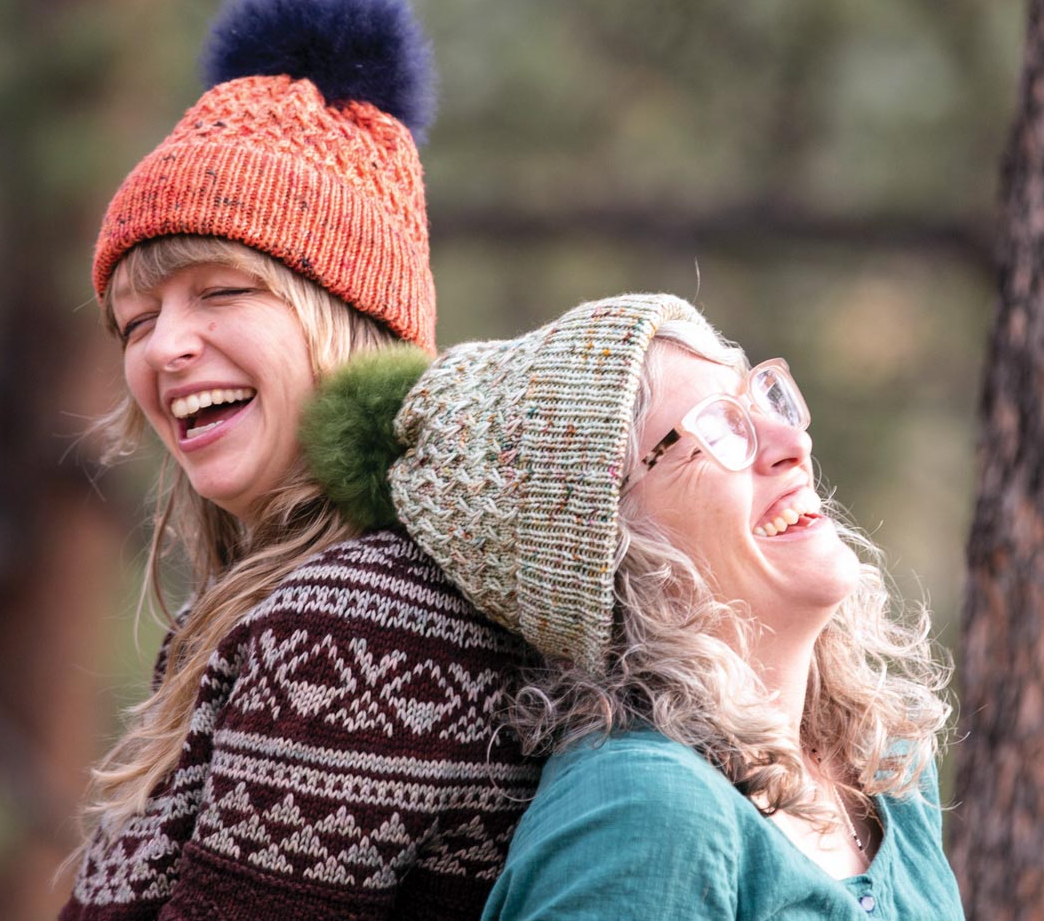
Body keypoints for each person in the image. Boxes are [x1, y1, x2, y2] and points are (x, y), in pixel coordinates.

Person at [60, 0, 539, 921]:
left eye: (223, 291)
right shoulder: (291, 603)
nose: (164, 347)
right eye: (134, 320)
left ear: (351, 319)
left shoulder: (358, 623)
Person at [306, 293, 961, 920]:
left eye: (762, 397)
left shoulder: (887, 763)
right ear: (614, 545)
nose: (792, 441)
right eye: (718, 428)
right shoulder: (646, 811)